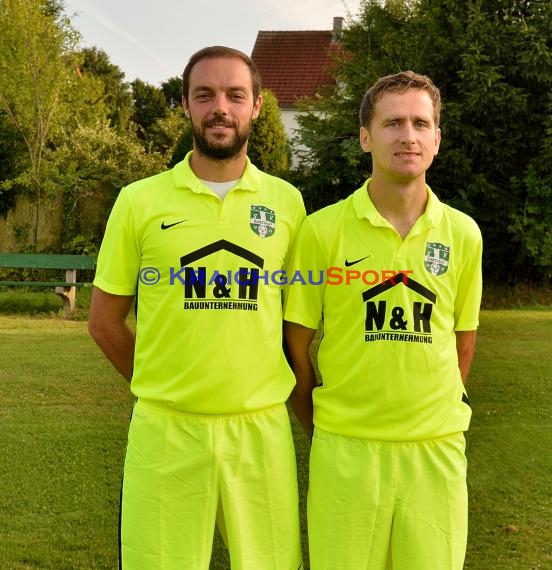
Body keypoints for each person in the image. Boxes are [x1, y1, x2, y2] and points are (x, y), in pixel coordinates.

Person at [88, 46, 305, 569]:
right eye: (204, 94)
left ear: (256, 106)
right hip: (166, 430)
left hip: (260, 428)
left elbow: (296, 328)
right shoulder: (138, 201)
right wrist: (164, 386)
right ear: (185, 105)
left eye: (235, 95)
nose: (220, 108)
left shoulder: (287, 203)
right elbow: (103, 322)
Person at [283, 70, 482, 570]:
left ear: (437, 137)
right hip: (346, 452)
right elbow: (294, 346)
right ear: (366, 136)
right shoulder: (321, 230)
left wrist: (428, 414)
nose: (408, 136)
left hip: (434, 454)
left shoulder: (464, 234)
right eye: (393, 123)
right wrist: (325, 425)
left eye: (421, 123)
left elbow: (463, 341)